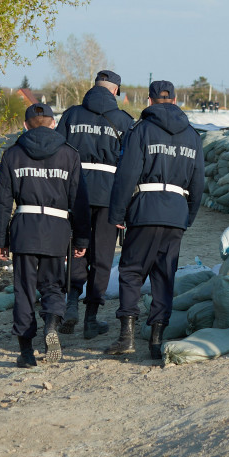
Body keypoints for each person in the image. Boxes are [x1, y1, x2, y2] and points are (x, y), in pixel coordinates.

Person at [106, 80, 204, 359]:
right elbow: (198, 183)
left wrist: (117, 213)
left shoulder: (141, 130)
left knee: (132, 271)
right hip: (176, 211)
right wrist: (188, 215)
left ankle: (127, 336)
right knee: (164, 275)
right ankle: (156, 341)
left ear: (149, 101)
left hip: (144, 208)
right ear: (174, 101)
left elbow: (127, 175)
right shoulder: (192, 136)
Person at [0, 103, 90, 367]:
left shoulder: (12, 154)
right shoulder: (69, 154)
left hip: (24, 228)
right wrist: (82, 239)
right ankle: (51, 324)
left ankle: (25, 352)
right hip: (57, 229)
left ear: (25, 126)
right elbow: (79, 201)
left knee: (24, 289)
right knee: (54, 284)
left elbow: (2, 202)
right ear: (54, 123)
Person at [56, 70, 134, 338]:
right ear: (115, 92)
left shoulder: (71, 115)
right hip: (109, 197)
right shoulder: (124, 121)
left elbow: (56, 152)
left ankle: (71, 306)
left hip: (75, 191)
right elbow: (131, 166)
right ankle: (91, 319)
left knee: (76, 249)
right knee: (102, 257)